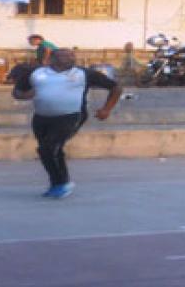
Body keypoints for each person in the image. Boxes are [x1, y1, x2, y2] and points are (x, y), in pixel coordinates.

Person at [12, 49, 122, 199]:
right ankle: (57, 183)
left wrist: (106, 109)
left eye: (72, 55)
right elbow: (17, 92)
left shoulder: (84, 73)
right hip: (42, 117)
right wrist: (25, 95)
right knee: (49, 150)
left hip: (71, 116)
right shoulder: (36, 73)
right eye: (65, 55)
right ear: (51, 59)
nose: (70, 58)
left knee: (48, 147)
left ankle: (62, 183)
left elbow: (116, 87)